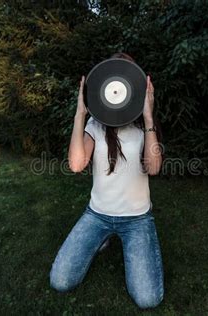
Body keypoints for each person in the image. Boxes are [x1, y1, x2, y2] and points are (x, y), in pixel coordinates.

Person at [49, 52, 164, 309]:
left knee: (148, 300)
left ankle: (120, 239)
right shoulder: (95, 125)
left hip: (137, 219)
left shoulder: (143, 126)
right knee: (60, 281)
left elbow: (153, 167)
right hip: (98, 215)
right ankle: (103, 237)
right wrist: (80, 113)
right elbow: (77, 164)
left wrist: (148, 117)